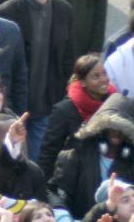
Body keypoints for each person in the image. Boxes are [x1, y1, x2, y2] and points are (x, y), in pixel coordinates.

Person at [0, 0, 75, 156]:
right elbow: (2, 64)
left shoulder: (63, 10)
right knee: (14, 158)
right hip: (15, 102)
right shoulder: (7, 13)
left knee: (39, 159)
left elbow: (67, 57)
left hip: (47, 102)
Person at [49, 101, 134, 221]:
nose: (117, 132)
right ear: (102, 128)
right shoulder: (76, 155)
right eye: (113, 127)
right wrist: (63, 215)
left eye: (123, 129)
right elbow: (56, 192)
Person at [38, 54, 113, 182]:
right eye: (96, 76)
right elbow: (49, 153)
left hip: (109, 175)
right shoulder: (64, 111)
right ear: (82, 82)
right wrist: (44, 188)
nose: (104, 79)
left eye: (104, 74)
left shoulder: (114, 103)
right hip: (76, 180)